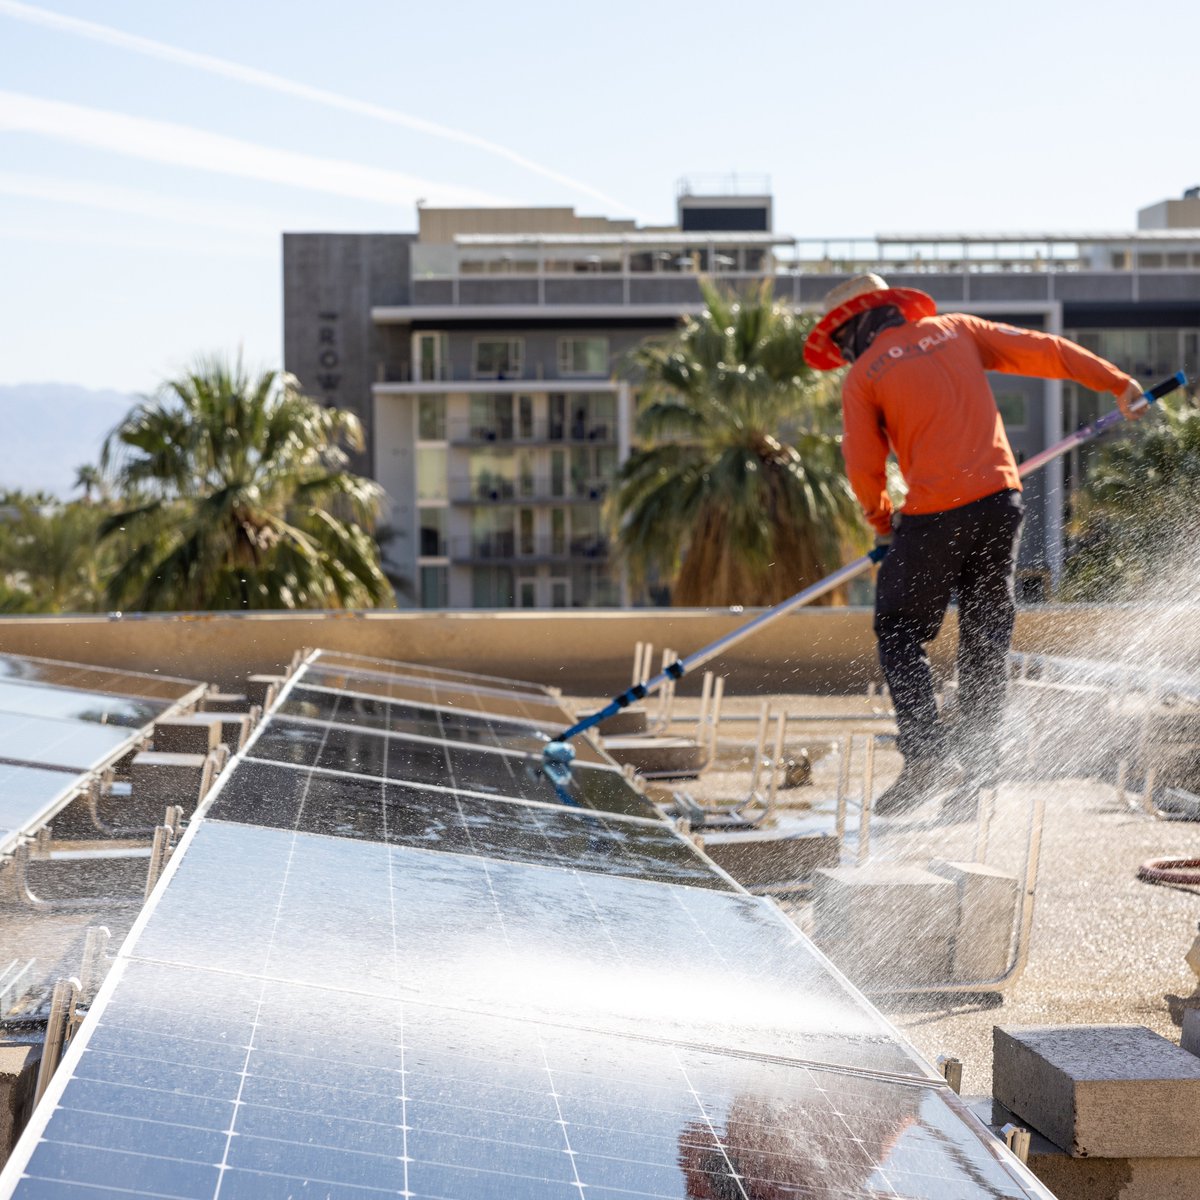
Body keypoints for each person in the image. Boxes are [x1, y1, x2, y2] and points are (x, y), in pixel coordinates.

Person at [804, 274, 1142, 817]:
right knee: (985, 637)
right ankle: (977, 775)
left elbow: (863, 466)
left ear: (853, 331)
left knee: (898, 629)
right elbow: (1046, 351)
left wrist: (881, 522)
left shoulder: (865, 374)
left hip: (933, 515)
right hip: (999, 504)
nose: (844, 355)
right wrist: (1117, 382)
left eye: (842, 345)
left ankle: (927, 756)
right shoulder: (957, 330)